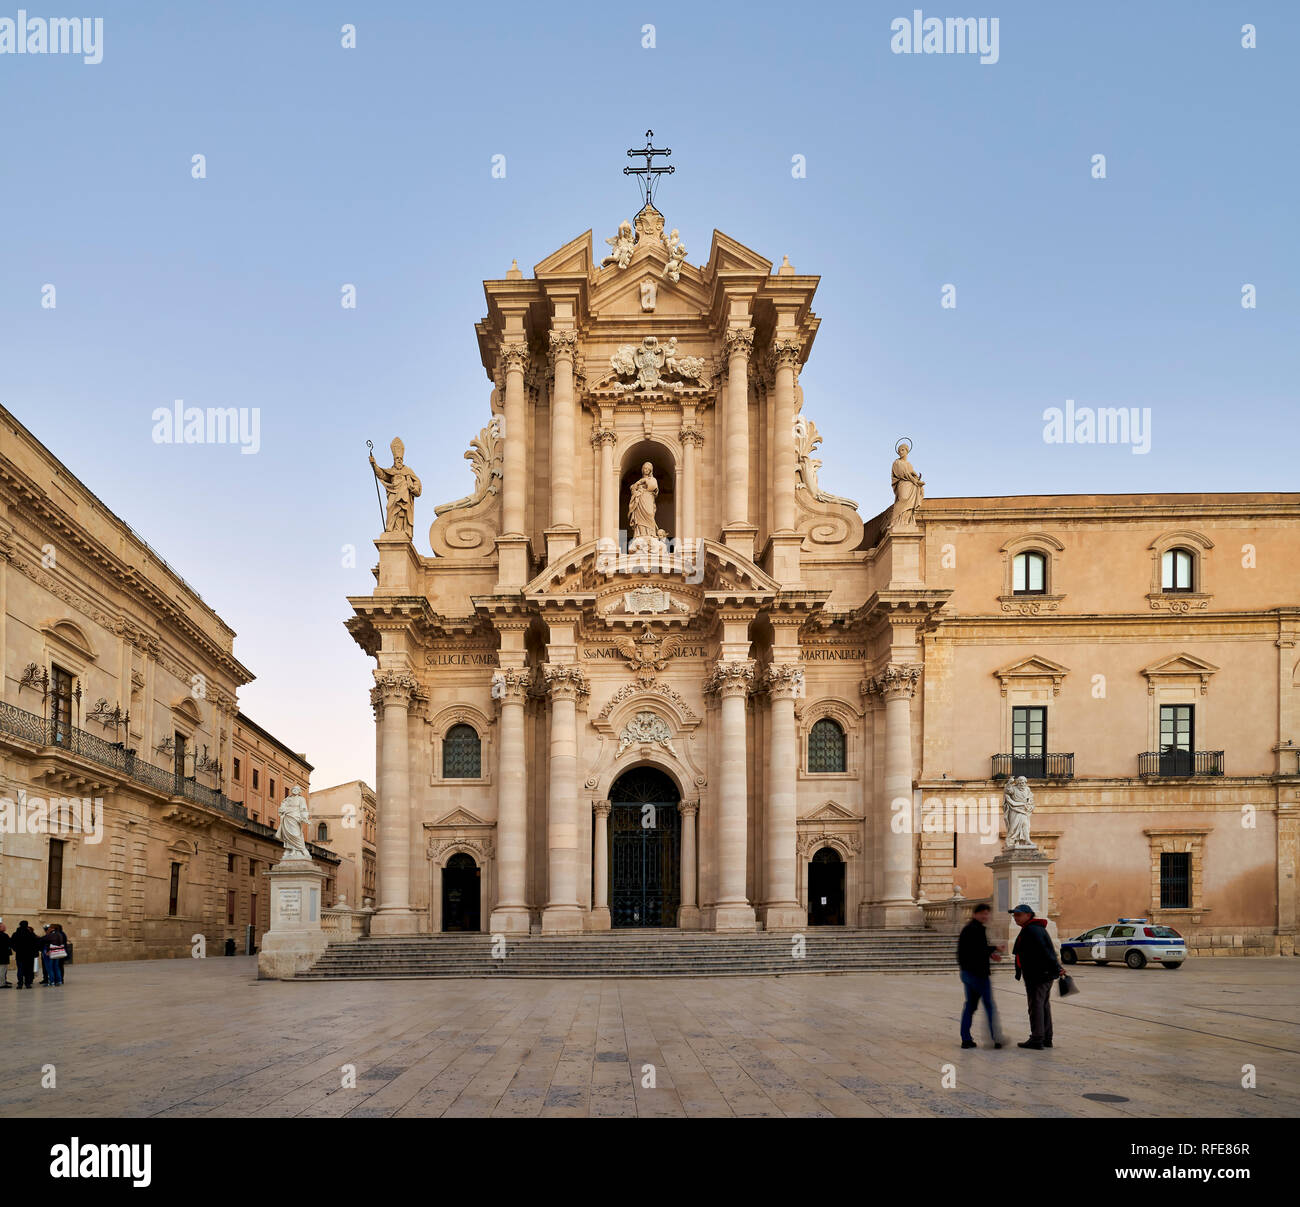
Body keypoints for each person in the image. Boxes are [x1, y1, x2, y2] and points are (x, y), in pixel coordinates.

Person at [1010, 904, 1066, 1049]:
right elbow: (1047, 950)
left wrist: (1056, 967)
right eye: (1014, 915)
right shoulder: (1034, 928)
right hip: (1042, 974)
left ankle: (1037, 1039)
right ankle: (1046, 1038)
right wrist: (1057, 967)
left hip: (1038, 975)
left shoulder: (1032, 930)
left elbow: (1046, 951)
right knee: (1043, 1005)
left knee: (1036, 1006)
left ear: (1028, 915)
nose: (1015, 917)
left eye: (1018, 915)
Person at [957, 903, 1005, 1049]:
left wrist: (990, 954)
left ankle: (966, 1039)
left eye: (987, 913)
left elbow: (973, 951)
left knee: (970, 1006)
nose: (985, 916)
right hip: (978, 974)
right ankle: (996, 1038)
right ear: (975, 914)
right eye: (983, 913)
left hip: (967, 973)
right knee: (989, 1005)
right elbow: (978, 950)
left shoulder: (969, 929)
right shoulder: (975, 929)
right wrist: (994, 948)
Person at [10, 921, 40, 990]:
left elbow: (12, 943)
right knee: (28, 969)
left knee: (20, 969)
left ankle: (20, 984)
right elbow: (36, 943)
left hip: (20, 955)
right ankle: (28, 983)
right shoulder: (30, 934)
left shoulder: (15, 934)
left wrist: (16, 950)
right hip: (29, 955)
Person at [0, 922, 11, 988]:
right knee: (2, 970)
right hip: (3, 956)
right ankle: (2, 984)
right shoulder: (4, 935)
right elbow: (9, 944)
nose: (5, 928)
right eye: (3, 927)